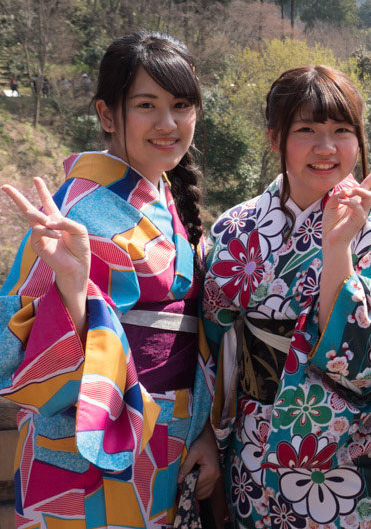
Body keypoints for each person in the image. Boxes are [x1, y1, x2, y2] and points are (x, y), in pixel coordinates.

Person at [0, 31, 218, 528]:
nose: (168, 123)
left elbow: (194, 337)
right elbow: (9, 349)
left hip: (167, 439)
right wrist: (74, 290)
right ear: (106, 114)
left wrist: (204, 429)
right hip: (84, 454)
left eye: (182, 105)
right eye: (147, 105)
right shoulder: (73, 210)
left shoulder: (168, 201)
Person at [202, 65, 371, 528]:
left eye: (342, 131)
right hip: (256, 453)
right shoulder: (236, 228)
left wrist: (338, 247)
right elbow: (210, 347)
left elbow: (362, 359)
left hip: (357, 464)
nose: (327, 148)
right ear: (274, 138)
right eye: (306, 130)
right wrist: (205, 433)